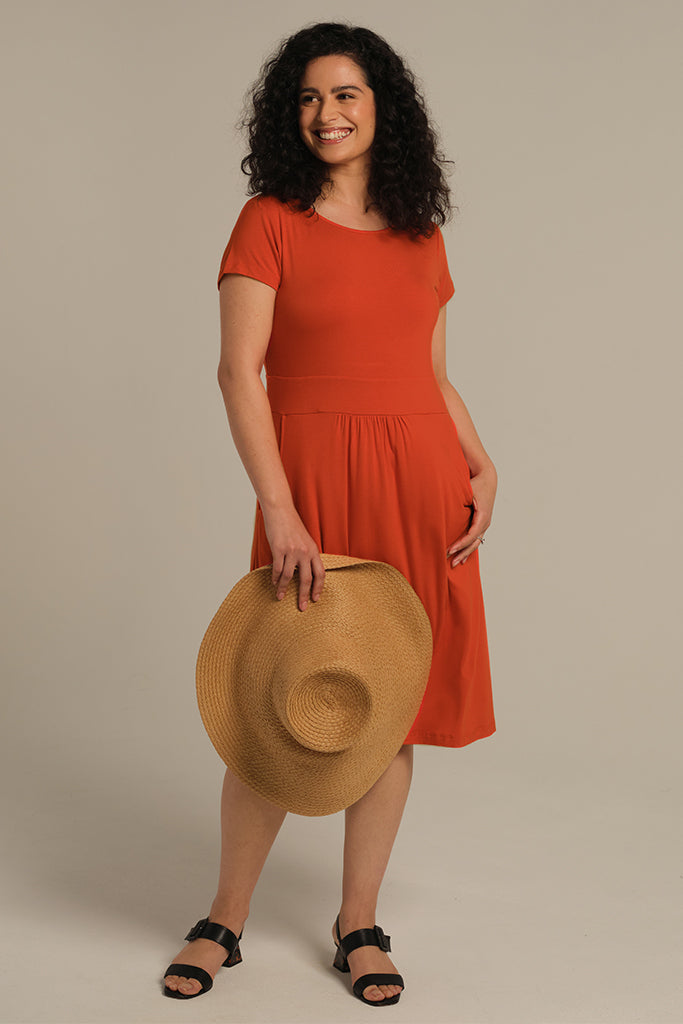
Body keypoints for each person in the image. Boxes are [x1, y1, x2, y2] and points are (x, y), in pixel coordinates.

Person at [163, 20, 497, 1006]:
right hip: (310, 481)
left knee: (383, 700)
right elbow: (238, 373)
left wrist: (478, 458)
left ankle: (359, 922)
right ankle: (223, 916)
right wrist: (279, 509)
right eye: (308, 97)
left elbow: (430, 376)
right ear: (287, 113)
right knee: (278, 696)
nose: (327, 113)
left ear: (380, 106)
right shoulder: (266, 220)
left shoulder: (420, 231)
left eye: (345, 94)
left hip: (417, 476)